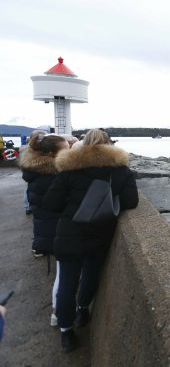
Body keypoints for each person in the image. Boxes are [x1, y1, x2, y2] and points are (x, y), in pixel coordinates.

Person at [43, 128, 138, 352]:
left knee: (67, 283)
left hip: (69, 234)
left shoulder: (70, 169)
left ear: (84, 144)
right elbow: (131, 202)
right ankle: (83, 309)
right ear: (109, 145)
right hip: (100, 234)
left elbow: (50, 204)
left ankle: (66, 333)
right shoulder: (121, 170)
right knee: (90, 275)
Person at [18, 133, 69, 326]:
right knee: (65, 278)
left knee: (63, 275)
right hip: (59, 232)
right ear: (50, 154)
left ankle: (59, 316)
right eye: (66, 150)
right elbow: (61, 204)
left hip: (46, 232)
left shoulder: (36, 174)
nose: (70, 153)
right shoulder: (53, 176)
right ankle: (59, 317)